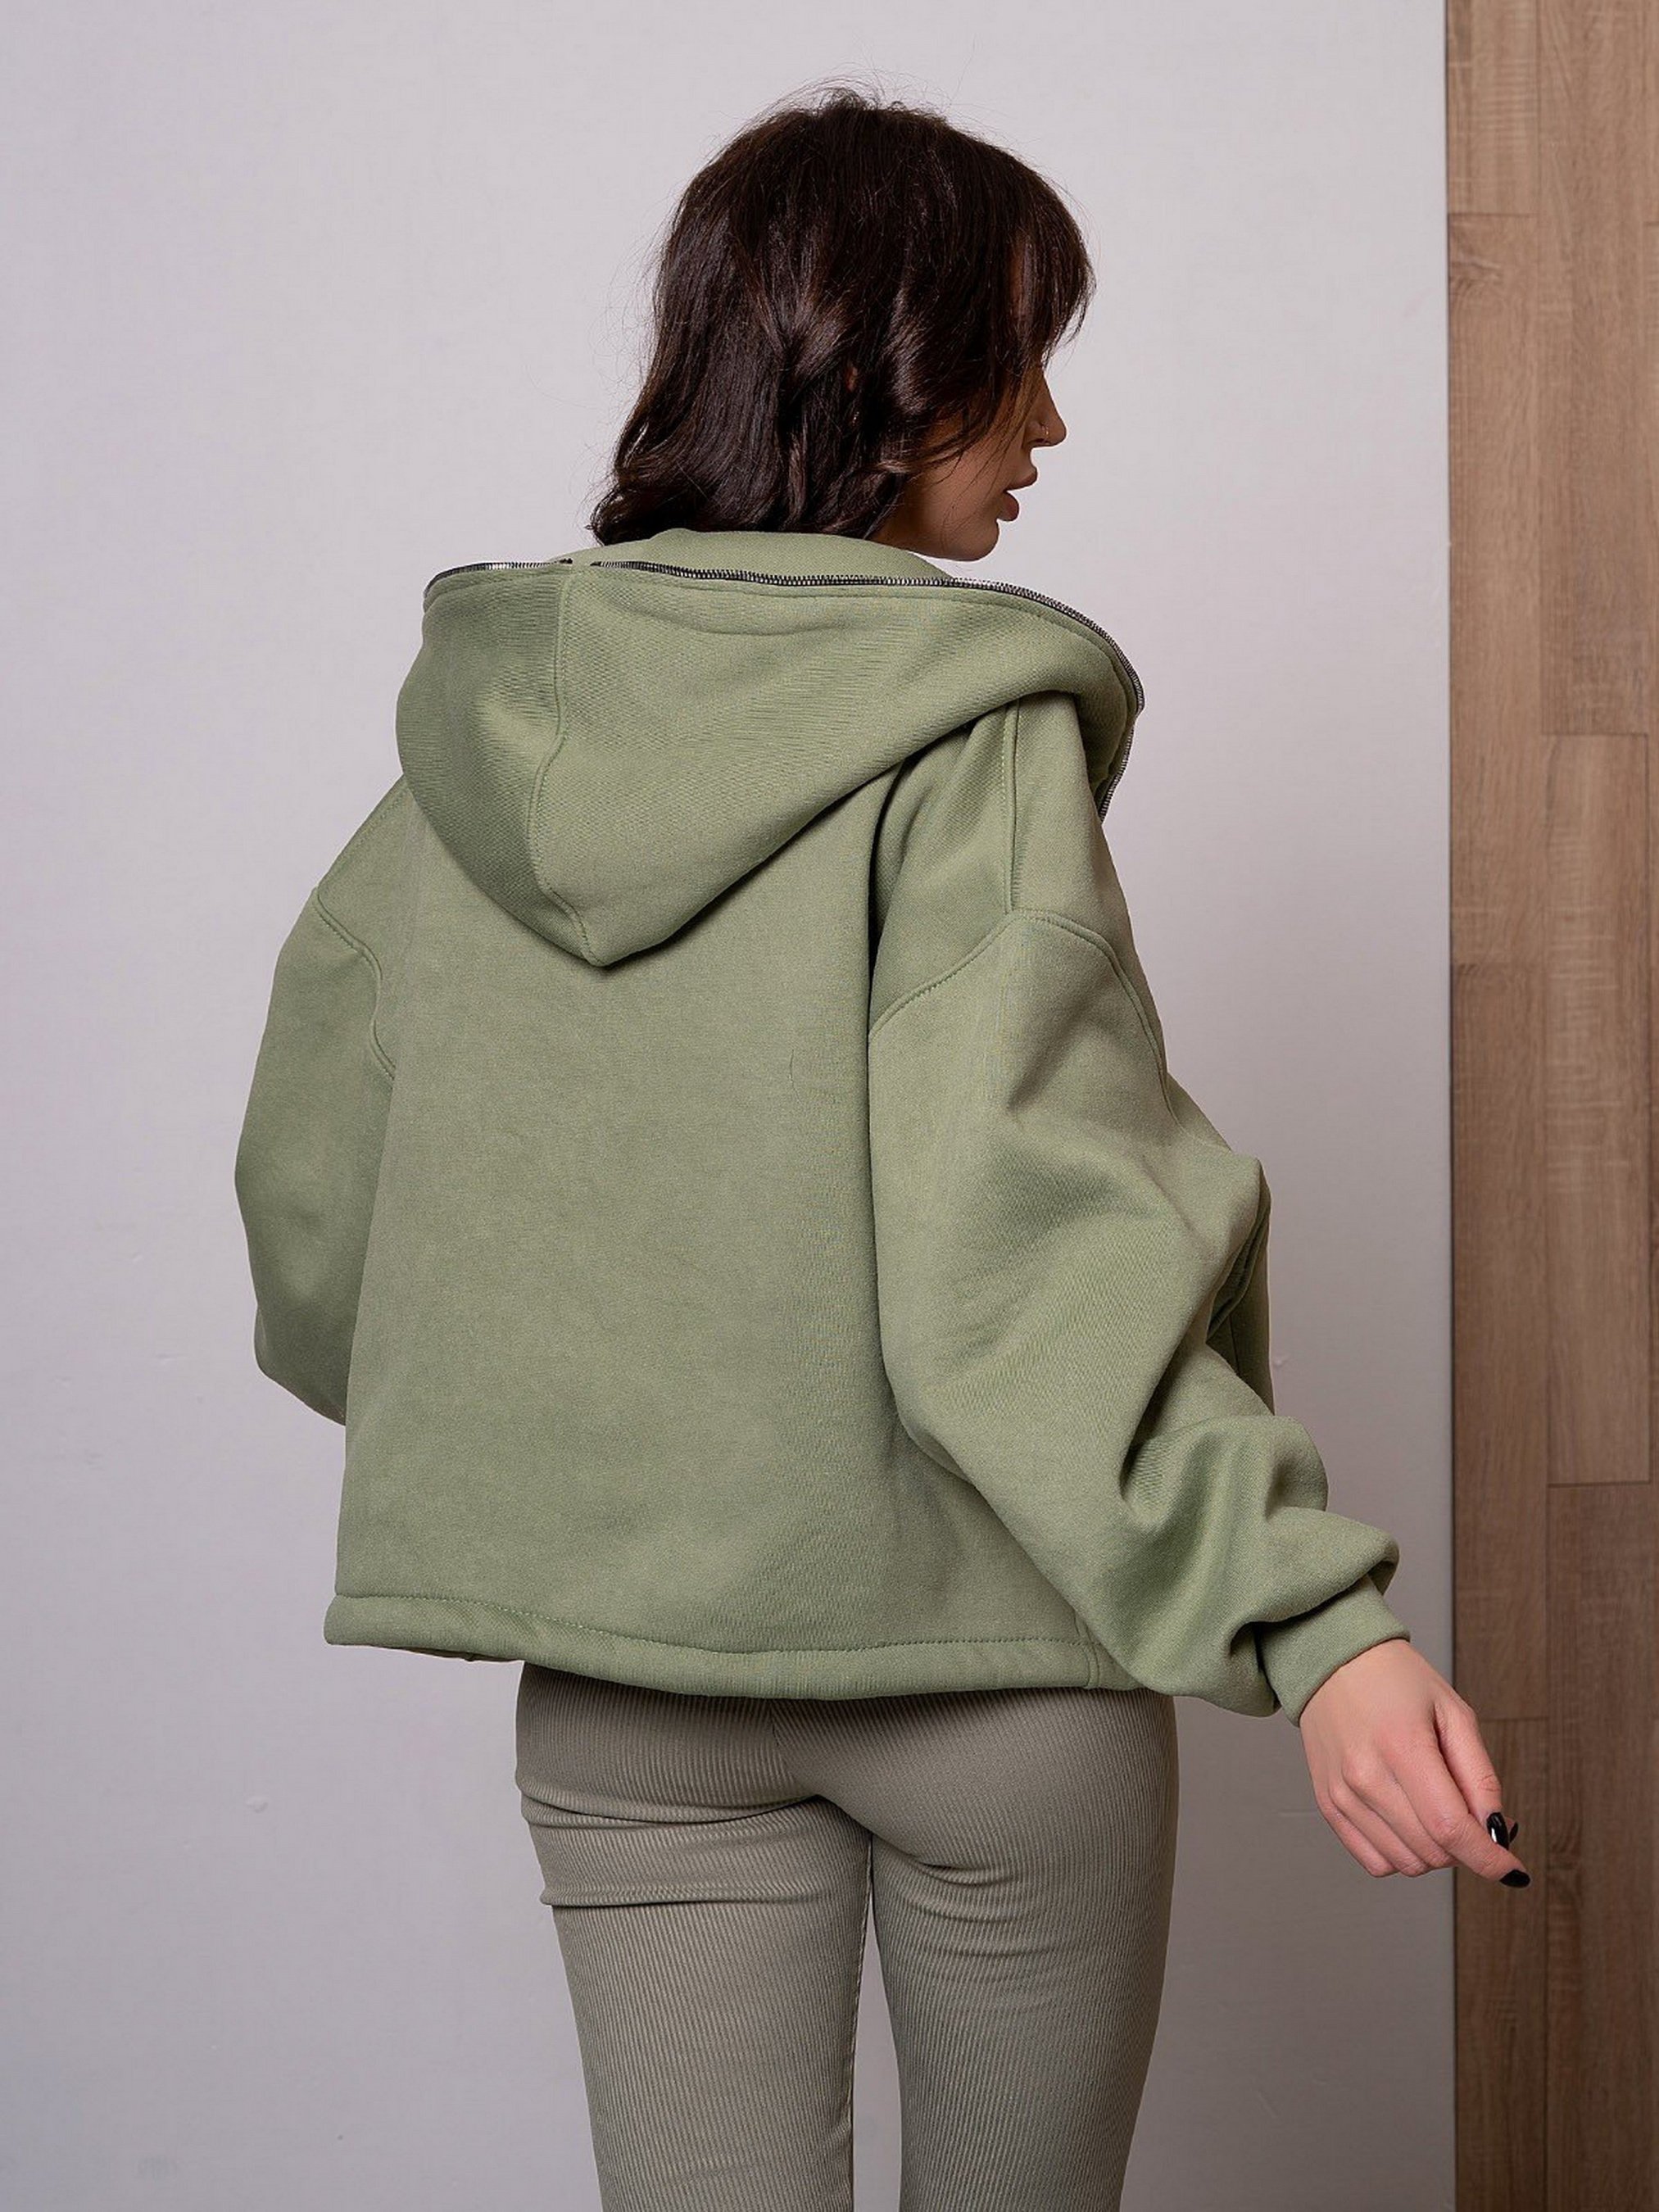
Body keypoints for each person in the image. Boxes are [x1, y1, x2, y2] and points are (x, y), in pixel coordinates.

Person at [233, 79, 1526, 2212]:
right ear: (890, 367)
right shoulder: (965, 732)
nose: (1049, 426)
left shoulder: (472, 750)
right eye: (1020, 359)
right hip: (988, 1682)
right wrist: (1320, 1628)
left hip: (628, 1694)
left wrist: (589, 1440)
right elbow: (1022, 1244)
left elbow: (316, 1219)